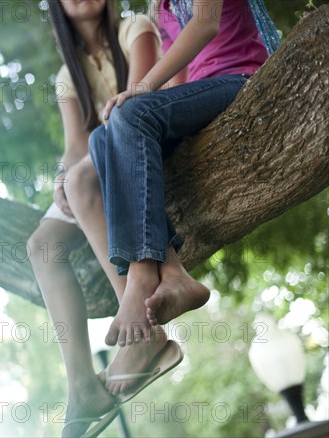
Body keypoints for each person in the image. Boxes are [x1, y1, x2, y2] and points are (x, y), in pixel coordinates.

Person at [80, 0, 280, 376]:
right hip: (203, 92)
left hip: (241, 78)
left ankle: (139, 277)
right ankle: (172, 273)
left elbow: (205, 24)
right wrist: (151, 111)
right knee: (103, 140)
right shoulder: (160, 5)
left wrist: (142, 90)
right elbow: (180, 72)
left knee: (129, 114)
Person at [28, 1, 185, 436]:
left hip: (138, 145)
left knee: (83, 180)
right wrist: (62, 176)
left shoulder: (136, 27)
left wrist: (76, 176)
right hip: (93, 164)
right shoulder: (67, 74)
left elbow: (139, 103)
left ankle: (141, 330)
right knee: (41, 246)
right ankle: (81, 384)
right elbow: (74, 146)